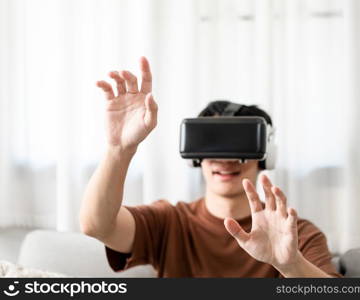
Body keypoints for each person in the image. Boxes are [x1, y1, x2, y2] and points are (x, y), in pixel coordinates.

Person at [80, 57, 341, 278]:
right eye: (213, 142)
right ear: (196, 154)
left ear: (265, 154)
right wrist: (119, 149)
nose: (225, 159)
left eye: (239, 143)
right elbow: (96, 226)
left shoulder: (295, 233)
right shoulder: (170, 222)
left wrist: (291, 264)